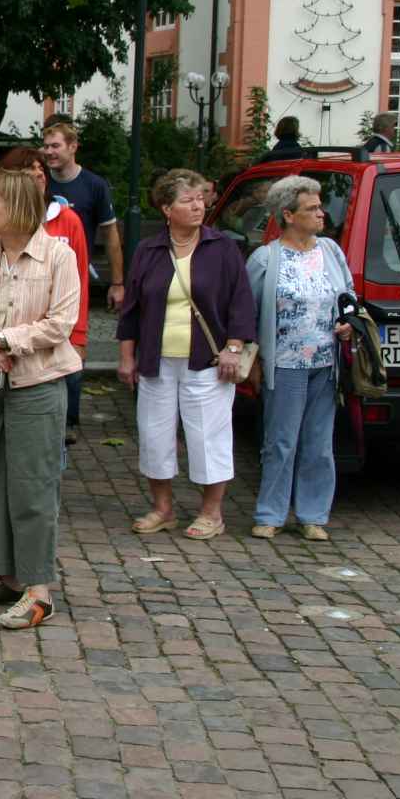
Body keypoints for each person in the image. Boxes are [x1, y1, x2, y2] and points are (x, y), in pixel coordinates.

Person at [0, 169, 80, 630]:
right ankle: (4, 576)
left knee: (32, 484)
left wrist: (2, 340)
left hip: (37, 385)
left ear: (20, 206)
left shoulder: (57, 257)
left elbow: (61, 323)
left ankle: (38, 588)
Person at [116, 169, 255, 541]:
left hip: (208, 361)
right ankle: (163, 509)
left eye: (200, 199)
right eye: (187, 200)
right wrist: (127, 357)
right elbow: (131, 310)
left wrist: (235, 346)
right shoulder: (149, 250)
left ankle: (212, 513)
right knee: (155, 435)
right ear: (165, 208)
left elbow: (241, 302)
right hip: (157, 361)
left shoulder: (222, 247)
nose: (198, 206)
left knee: (208, 436)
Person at [246, 175, 355, 542]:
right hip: (285, 365)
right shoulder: (266, 258)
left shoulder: (331, 251)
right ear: (288, 215)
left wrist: (348, 324)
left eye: (320, 205)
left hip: (326, 364)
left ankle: (312, 514)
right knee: (280, 441)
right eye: (312, 208)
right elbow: (248, 313)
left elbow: (348, 297)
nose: (322, 213)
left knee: (320, 444)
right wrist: (256, 360)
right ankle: (271, 513)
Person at [0, 147, 90, 446]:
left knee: (40, 450)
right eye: (29, 172)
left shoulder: (66, 225)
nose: (38, 177)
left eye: (41, 172)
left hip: (44, 357)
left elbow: (78, 283)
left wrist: (78, 335)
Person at [42, 121, 123, 441]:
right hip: (37, 279)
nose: (49, 152)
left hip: (75, 282)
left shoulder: (94, 185)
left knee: (73, 348)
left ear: (73, 147)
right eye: (45, 146)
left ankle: (69, 419)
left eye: (55, 146)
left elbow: (111, 233)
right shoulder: (40, 182)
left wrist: (118, 282)